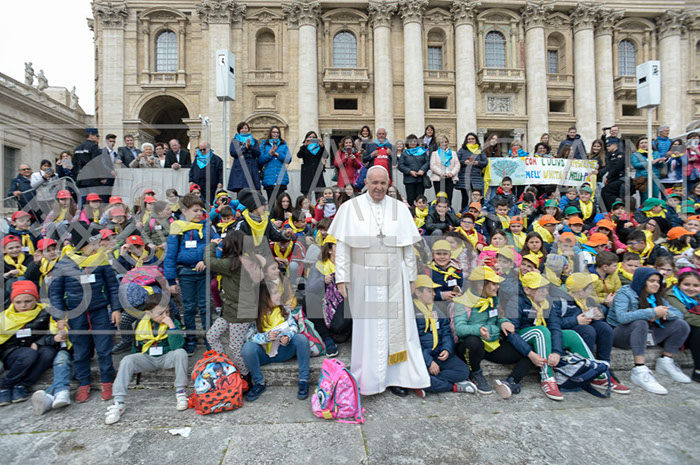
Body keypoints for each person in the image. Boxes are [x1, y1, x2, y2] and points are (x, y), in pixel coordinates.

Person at [328, 165, 430, 396]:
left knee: (398, 328)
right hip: (364, 277)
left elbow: (407, 248)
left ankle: (398, 377)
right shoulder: (350, 208)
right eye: (374, 182)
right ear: (366, 183)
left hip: (395, 276)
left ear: (388, 184)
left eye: (383, 183)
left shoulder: (400, 209)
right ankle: (370, 379)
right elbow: (342, 247)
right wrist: (342, 277)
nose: (379, 187)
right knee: (370, 330)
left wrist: (411, 276)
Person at [50, 222, 122, 403]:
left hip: (99, 311)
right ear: (83, 244)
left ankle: (107, 381)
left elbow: (113, 287)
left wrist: (115, 308)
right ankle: (83, 383)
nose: (98, 246)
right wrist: (59, 317)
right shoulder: (64, 264)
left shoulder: (102, 260)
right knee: (81, 351)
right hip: (76, 314)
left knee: (104, 349)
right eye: (94, 243)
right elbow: (55, 293)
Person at [508, 272, 596, 401]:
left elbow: (555, 327)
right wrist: (529, 353)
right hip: (523, 335)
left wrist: (556, 351)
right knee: (541, 331)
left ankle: (595, 371)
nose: (545, 292)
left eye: (546, 288)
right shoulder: (516, 301)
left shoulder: (547, 301)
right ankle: (547, 378)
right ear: (527, 290)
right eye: (540, 289)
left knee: (571, 334)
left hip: (543, 336)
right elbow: (511, 333)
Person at [105, 294, 189, 425]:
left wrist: (172, 327)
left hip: (166, 356)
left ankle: (181, 392)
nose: (165, 316)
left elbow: (177, 346)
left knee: (181, 353)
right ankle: (118, 402)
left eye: (167, 312)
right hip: (148, 357)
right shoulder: (141, 323)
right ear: (149, 313)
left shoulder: (173, 321)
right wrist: (136, 359)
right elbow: (136, 345)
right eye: (160, 313)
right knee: (127, 360)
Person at [608, 267, 691, 394]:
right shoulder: (625, 293)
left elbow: (679, 314)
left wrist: (662, 313)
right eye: (651, 281)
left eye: (658, 282)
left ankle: (666, 361)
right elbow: (622, 317)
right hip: (621, 335)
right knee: (640, 322)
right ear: (641, 281)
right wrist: (651, 312)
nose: (656, 284)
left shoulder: (654, 296)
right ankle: (639, 369)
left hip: (646, 334)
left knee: (681, 324)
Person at [453, 266, 533, 399]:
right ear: (481, 285)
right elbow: (459, 328)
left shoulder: (493, 299)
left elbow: (499, 317)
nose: (497, 287)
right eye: (494, 284)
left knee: (527, 352)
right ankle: (475, 373)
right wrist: (478, 330)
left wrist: (504, 322)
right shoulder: (463, 302)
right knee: (473, 341)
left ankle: (511, 381)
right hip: (470, 346)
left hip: (491, 343)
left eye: (497, 283)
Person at [561, 273, 630, 393]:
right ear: (581, 291)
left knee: (604, 328)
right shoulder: (561, 301)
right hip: (568, 333)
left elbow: (594, 319)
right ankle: (587, 369)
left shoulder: (588, 300)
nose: (592, 289)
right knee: (588, 330)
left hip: (583, 328)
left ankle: (604, 367)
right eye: (589, 287)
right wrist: (576, 320)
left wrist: (597, 317)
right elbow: (554, 323)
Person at [241, 284, 310, 401]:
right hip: (263, 354)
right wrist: (266, 337)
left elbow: (294, 327)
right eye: (275, 294)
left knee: (301, 339)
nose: (279, 296)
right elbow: (248, 337)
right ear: (265, 297)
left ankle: (304, 381)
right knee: (247, 348)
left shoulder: (284, 309)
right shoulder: (255, 314)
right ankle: (259, 383)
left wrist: (287, 336)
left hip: (283, 351)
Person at [411, 274, 475, 397]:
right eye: (429, 291)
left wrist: (447, 349)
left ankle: (427, 382)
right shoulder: (412, 311)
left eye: (434, 291)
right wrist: (429, 362)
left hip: (439, 354)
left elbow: (446, 332)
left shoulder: (436, 309)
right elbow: (413, 342)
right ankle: (453, 387)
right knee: (418, 374)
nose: (434, 294)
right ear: (418, 292)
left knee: (463, 371)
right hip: (423, 357)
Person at [0, 281, 59, 406]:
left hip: (37, 346)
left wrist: (38, 343)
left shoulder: (45, 312)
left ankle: (23, 385)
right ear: (12, 302)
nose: (23, 305)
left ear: (36, 300)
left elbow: (52, 331)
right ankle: (6, 385)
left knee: (48, 353)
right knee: (28, 354)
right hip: (12, 351)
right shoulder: (5, 317)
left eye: (28, 301)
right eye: (18, 302)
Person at [305, 235, 352, 357]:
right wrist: (322, 280)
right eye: (339, 247)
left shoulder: (349, 265)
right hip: (325, 308)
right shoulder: (319, 266)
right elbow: (309, 288)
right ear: (330, 250)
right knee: (309, 298)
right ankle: (327, 338)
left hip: (342, 310)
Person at [664, 271, 700, 383]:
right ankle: (698, 370)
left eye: (696, 285)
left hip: (691, 333)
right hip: (673, 335)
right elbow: (686, 317)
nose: (691, 288)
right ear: (679, 284)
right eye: (686, 284)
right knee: (698, 330)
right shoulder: (671, 296)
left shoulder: (697, 297)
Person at [258, 126, 291, 203]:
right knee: (271, 203)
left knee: (281, 203)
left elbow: (288, 159)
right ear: (270, 133)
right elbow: (260, 160)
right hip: (269, 177)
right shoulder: (264, 144)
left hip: (281, 177)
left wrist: (278, 154)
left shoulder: (283, 145)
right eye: (273, 132)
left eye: (277, 132)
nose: (275, 134)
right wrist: (270, 154)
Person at [456, 133, 488, 213]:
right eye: (469, 139)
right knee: (465, 197)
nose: (471, 140)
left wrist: (477, 163)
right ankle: (463, 213)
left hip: (476, 177)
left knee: (477, 196)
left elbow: (485, 162)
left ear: (476, 140)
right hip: (464, 176)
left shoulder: (480, 150)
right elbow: (456, 161)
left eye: (473, 139)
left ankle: (478, 211)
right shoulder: (462, 150)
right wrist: (464, 162)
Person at [398, 134, 430, 206]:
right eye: (410, 141)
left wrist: (422, 170)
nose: (412, 143)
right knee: (410, 200)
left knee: (420, 200)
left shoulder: (422, 151)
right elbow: (400, 165)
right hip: (409, 180)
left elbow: (428, 162)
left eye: (414, 141)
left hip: (421, 180)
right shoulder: (405, 153)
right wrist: (409, 171)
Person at [189, 141, 223, 206]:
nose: (202, 151)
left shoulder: (217, 159)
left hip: (210, 184)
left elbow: (220, 172)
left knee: (209, 201)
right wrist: (190, 180)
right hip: (198, 183)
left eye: (204, 149)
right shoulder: (197, 158)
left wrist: (220, 182)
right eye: (200, 150)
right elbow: (192, 169)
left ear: (208, 148)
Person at [429, 135, 460, 204]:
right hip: (439, 179)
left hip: (450, 178)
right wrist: (443, 173)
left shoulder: (453, 153)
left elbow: (457, 165)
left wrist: (451, 173)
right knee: (440, 199)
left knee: (449, 199)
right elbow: (432, 166)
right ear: (439, 144)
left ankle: (448, 210)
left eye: (446, 142)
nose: (444, 143)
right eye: (442, 142)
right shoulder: (435, 153)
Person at [297, 130, 327, 198]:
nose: (312, 138)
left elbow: (326, 156)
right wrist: (305, 145)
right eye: (310, 137)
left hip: (317, 173)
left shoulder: (319, 147)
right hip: (307, 174)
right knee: (307, 197)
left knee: (319, 195)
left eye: (314, 137)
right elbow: (299, 155)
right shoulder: (304, 147)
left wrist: (322, 146)